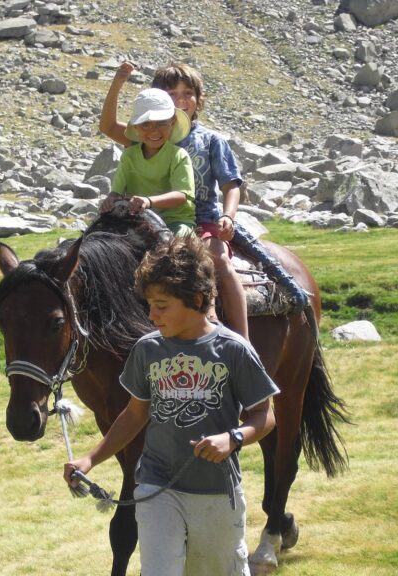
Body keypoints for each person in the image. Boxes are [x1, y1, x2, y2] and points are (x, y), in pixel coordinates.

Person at [64, 235, 279, 576]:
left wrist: (233, 438)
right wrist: (91, 458)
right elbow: (135, 414)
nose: (151, 315)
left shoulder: (234, 350)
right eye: (148, 305)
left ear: (195, 299)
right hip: (156, 486)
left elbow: (264, 416)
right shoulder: (148, 350)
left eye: (161, 306)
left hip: (216, 492)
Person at [100, 62, 310, 327]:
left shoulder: (210, 140)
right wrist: (118, 83)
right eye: (171, 94)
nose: (181, 100)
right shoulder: (147, 134)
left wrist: (228, 217)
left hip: (201, 220)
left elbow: (230, 185)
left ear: (199, 99)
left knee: (220, 262)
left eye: (188, 93)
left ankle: (239, 339)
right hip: (145, 221)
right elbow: (108, 126)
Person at [100, 86, 196, 237]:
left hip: (174, 221)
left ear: (172, 122)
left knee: (179, 248)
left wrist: (148, 201)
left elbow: (181, 195)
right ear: (136, 127)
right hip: (138, 219)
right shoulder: (129, 155)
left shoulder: (179, 155)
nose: (154, 131)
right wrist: (111, 199)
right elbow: (116, 191)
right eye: (146, 124)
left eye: (162, 123)